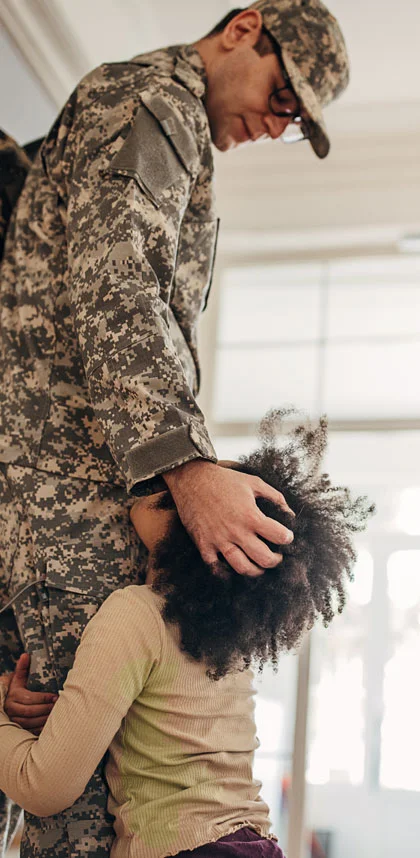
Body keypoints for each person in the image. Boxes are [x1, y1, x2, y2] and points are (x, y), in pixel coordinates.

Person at [0, 1, 350, 854]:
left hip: (71, 499)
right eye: (283, 95)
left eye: (296, 120)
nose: (277, 124)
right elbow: (118, 287)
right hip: (69, 505)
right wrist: (189, 470)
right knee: (75, 818)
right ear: (245, 27)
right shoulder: (151, 100)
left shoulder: (161, 120)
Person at [0, 414, 373, 858]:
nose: (178, 477)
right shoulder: (229, 643)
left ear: (208, 532)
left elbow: (45, 787)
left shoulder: (137, 615)